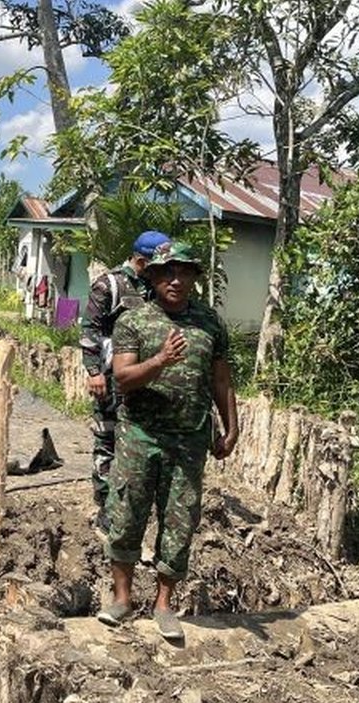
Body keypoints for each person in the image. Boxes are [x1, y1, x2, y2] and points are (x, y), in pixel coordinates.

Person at [96, 240, 239, 641]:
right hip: (140, 436)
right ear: (154, 277)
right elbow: (122, 379)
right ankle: (122, 600)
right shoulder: (134, 321)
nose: (176, 280)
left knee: (179, 523)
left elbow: (221, 380)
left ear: (195, 277)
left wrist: (232, 427)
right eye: (167, 272)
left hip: (189, 440)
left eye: (185, 272)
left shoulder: (209, 322)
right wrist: (159, 360)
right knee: (126, 516)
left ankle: (163, 604)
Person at [79, 231, 164, 530]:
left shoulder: (156, 288)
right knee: (107, 441)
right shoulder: (110, 284)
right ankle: (104, 507)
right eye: (157, 264)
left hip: (143, 379)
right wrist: (94, 372)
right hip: (111, 378)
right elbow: (89, 329)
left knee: (135, 442)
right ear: (141, 261)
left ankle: (131, 505)